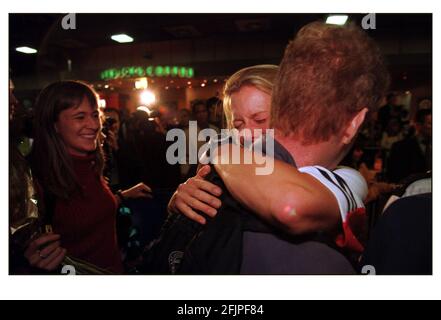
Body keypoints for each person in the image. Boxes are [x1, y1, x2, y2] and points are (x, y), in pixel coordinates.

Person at [28, 80, 152, 274]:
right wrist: (28, 261)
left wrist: (121, 196)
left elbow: (90, 211)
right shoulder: (35, 181)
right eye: (80, 117)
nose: (94, 125)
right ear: (54, 125)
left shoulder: (91, 164)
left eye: (95, 115)